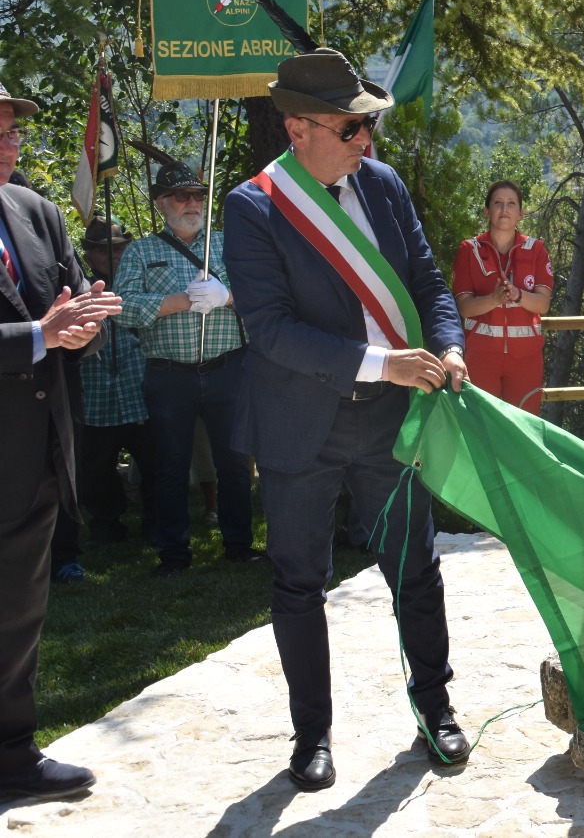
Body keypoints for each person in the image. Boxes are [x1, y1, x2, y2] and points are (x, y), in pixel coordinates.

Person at [224, 47, 472, 791]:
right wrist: (382, 363)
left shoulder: (383, 185)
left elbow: (428, 284)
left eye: (367, 126)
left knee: (416, 569)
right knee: (301, 583)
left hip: (389, 421)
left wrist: (449, 346)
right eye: (350, 128)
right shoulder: (255, 206)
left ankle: (436, 708)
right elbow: (271, 330)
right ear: (297, 129)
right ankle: (312, 734)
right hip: (302, 425)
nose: (365, 140)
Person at [0, 82, 122, 799]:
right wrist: (37, 336)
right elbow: (39, 329)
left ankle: (13, 755)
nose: (9, 144)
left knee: (18, 610)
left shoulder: (36, 211)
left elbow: (72, 306)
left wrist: (85, 324)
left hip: (33, 455)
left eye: (13, 130)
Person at [113, 162, 257, 576]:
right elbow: (122, 308)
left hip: (228, 368)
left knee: (235, 462)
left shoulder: (228, 245)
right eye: (181, 196)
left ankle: (239, 545)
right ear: (161, 203)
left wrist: (227, 296)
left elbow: (263, 297)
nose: (192, 203)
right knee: (171, 466)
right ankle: (174, 553)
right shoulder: (141, 251)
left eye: (198, 195)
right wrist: (179, 301)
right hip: (169, 375)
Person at [67, 217, 154, 549]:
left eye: (119, 249)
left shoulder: (141, 281)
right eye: (104, 251)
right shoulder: (79, 287)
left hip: (140, 387)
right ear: (89, 257)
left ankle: (156, 521)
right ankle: (105, 523)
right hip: (97, 392)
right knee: (97, 466)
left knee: (155, 462)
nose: (114, 256)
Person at [452, 181, 552, 413]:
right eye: (498, 203)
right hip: (481, 358)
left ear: (521, 213)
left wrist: (518, 295)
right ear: (487, 211)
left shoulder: (536, 250)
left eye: (511, 203)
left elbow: (543, 304)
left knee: (522, 427)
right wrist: (494, 300)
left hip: (526, 360)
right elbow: (464, 307)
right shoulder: (469, 250)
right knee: (482, 425)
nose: (504, 209)